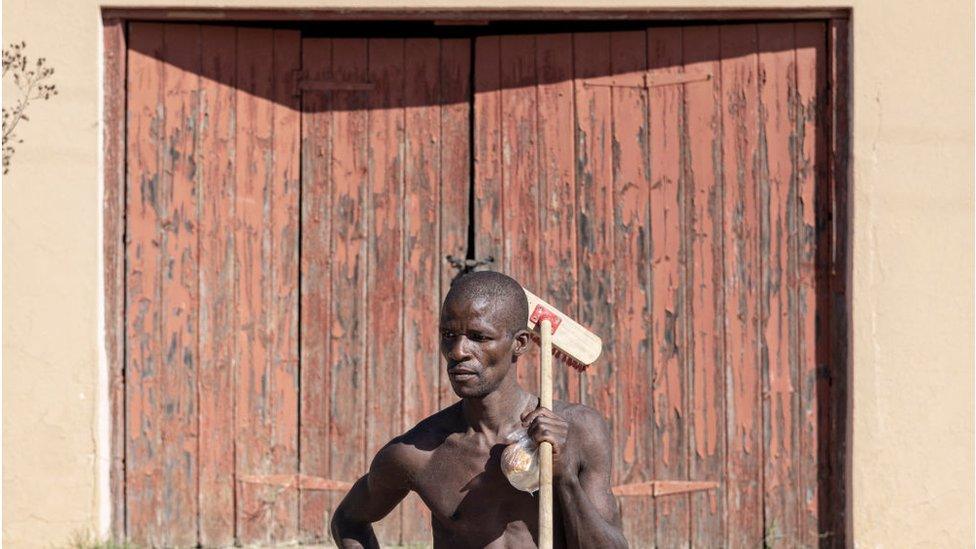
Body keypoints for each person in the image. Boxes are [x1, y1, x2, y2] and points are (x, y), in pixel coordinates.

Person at [331, 270, 628, 548]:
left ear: (520, 343)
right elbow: (349, 521)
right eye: (449, 335)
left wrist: (565, 478)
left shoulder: (578, 430)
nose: (458, 351)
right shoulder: (419, 453)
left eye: (479, 337)